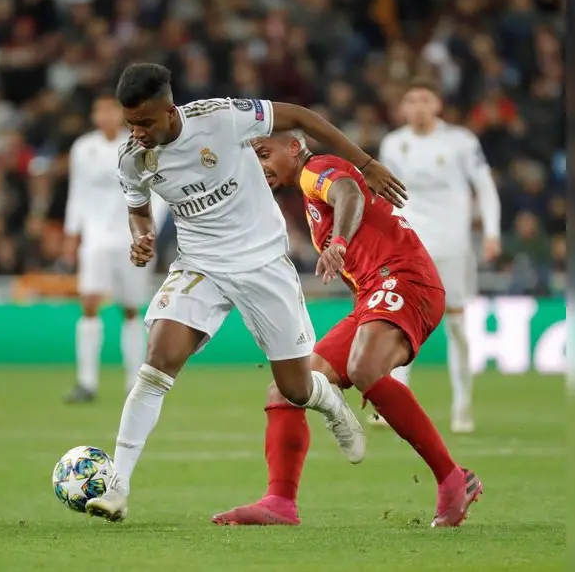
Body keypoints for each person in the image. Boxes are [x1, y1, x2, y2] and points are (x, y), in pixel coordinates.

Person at [84, 63, 407, 523]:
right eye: (130, 121)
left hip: (262, 261)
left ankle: (330, 401)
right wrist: (142, 235)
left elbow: (300, 116)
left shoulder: (219, 117)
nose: (137, 131)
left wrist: (367, 163)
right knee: (158, 360)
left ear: (169, 110)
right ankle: (118, 488)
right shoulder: (133, 157)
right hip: (201, 264)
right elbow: (137, 208)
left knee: (295, 389)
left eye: (146, 122)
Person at [211, 131, 482, 528]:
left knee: (364, 367)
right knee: (289, 388)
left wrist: (337, 242)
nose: (261, 165)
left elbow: (350, 193)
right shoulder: (306, 196)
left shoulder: (316, 169)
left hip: (405, 281)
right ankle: (279, 502)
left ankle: (452, 478)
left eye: (265, 154)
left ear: (293, 147)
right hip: (373, 295)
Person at [378, 77, 502, 433]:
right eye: (411, 100)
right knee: (400, 322)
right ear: (402, 108)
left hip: (453, 244)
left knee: (457, 324)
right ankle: (397, 399)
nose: (417, 106)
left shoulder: (461, 142)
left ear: (437, 105)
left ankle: (462, 406)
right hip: (410, 244)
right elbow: (387, 196)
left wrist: (491, 233)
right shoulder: (393, 144)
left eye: (424, 99)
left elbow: (485, 186)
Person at [62, 92, 168, 403]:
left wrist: (150, 232)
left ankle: (133, 382)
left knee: (132, 308)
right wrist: (72, 234)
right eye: (100, 110)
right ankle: (86, 382)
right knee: (90, 303)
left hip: (132, 237)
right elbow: (77, 192)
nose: (105, 116)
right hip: (95, 238)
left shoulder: (141, 146)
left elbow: (158, 191)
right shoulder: (84, 148)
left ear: (120, 115)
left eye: (111, 110)